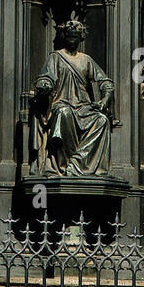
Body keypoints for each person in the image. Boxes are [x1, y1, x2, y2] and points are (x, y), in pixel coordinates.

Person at [29, 19, 115, 178]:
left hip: (84, 107)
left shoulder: (86, 60)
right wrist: (44, 85)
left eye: (75, 37)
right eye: (69, 37)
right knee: (64, 114)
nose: (72, 40)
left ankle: (77, 164)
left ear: (80, 38)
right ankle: (63, 166)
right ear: (64, 37)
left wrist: (105, 99)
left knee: (101, 120)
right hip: (62, 103)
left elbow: (106, 82)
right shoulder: (56, 57)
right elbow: (46, 78)